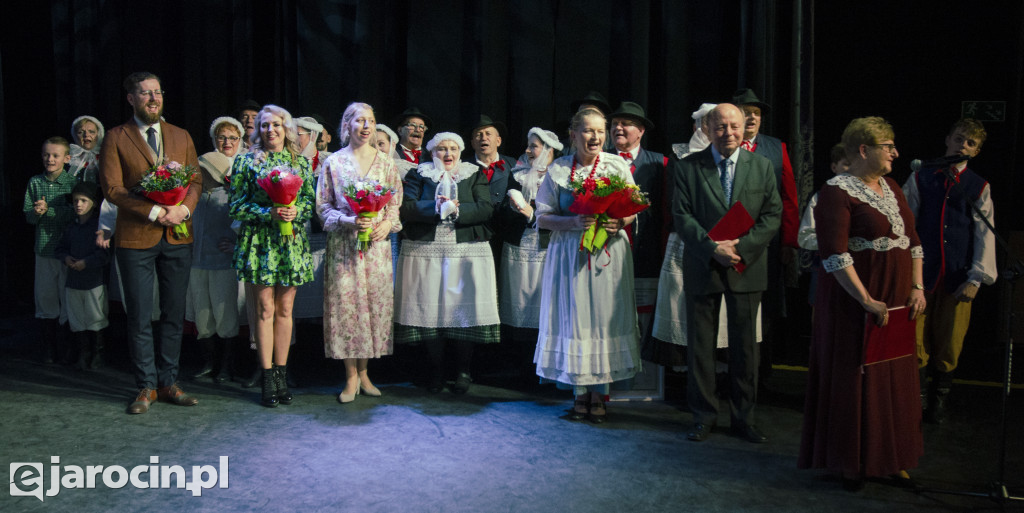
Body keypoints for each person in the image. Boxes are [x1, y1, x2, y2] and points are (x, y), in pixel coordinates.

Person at [799, 116, 925, 491]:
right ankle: (850, 462)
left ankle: (890, 459)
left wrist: (917, 286)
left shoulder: (892, 188)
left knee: (892, 378)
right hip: (853, 303)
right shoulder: (836, 191)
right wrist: (866, 299)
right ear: (864, 149)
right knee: (854, 377)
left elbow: (914, 241)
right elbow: (834, 255)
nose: (895, 153)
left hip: (897, 300)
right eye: (889, 147)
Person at [672, 103, 781, 443]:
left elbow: (772, 215)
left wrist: (741, 248)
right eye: (720, 127)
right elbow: (682, 216)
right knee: (701, 348)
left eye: (734, 126)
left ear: (744, 128)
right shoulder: (688, 167)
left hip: (747, 267)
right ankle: (703, 416)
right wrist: (712, 248)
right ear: (707, 129)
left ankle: (744, 418)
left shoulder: (762, 166)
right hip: (703, 265)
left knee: (746, 349)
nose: (728, 133)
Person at [100, 72, 202, 414]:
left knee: (174, 313)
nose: (154, 98)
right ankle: (146, 386)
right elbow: (112, 189)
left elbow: (195, 181)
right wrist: (156, 210)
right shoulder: (116, 137)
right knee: (140, 316)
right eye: (145, 93)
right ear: (131, 99)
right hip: (136, 237)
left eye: (157, 92)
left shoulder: (181, 135)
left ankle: (169, 382)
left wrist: (184, 209)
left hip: (177, 235)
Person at [533, 108, 641, 423]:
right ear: (574, 134)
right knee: (576, 317)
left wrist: (620, 221)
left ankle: (600, 393)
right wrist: (573, 222)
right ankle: (580, 393)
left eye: (600, 131)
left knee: (604, 319)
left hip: (608, 253)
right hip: (570, 254)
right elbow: (542, 216)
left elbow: (634, 207)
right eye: (588, 131)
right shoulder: (558, 169)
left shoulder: (616, 165)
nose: (595, 137)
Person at [902, 118, 996, 424]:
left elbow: (984, 234)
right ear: (947, 139)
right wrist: (908, 271)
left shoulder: (978, 186)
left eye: (970, 143)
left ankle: (938, 401)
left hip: (957, 277)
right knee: (915, 339)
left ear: (976, 151)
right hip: (922, 275)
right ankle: (917, 399)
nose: (962, 146)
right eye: (958, 139)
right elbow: (905, 223)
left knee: (950, 341)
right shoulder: (921, 176)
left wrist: (976, 277)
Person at [394, 132, 500, 395]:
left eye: (453, 148)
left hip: (464, 250)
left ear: (460, 152)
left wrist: (457, 210)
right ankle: (436, 371)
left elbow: (486, 208)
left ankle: (463, 371)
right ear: (432, 153)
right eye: (442, 149)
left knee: (461, 309)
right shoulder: (419, 173)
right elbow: (406, 207)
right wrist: (435, 206)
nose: (448, 153)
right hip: (426, 249)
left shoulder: (473, 173)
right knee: (431, 311)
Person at [228, 104, 315, 407]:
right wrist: (269, 212)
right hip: (259, 242)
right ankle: (267, 377)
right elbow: (236, 205)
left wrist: (295, 211)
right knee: (264, 308)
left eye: (276, 124)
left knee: (285, 309)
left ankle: (281, 374)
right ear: (257, 130)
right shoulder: (245, 161)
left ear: (286, 128)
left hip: (291, 242)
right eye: (264, 125)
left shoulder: (300, 163)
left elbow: (309, 203)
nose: (270, 130)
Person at [317, 102, 403, 403]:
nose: (366, 126)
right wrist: (348, 220)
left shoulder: (386, 162)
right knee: (346, 309)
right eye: (360, 121)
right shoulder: (334, 162)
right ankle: (350, 376)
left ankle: (365, 373)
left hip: (376, 249)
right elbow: (323, 207)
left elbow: (394, 203)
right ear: (347, 125)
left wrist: (387, 224)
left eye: (371, 121)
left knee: (372, 307)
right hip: (344, 248)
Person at [732, 88, 800, 385]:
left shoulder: (775, 147)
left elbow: (789, 198)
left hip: (767, 243)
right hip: (730, 241)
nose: (752, 118)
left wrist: (788, 241)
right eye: (746, 112)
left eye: (756, 113)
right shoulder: (722, 144)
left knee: (766, 306)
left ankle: (762, 370)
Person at [496, 127, 561, 379]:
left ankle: (544, 367)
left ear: (548, 150)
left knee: (544, 302)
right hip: (519, 245)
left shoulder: (559, 176)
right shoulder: (518, 175)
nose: (527, 150)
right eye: (528, 145)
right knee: (519, 302)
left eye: (533, 146)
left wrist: (533, 214)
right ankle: (520, 364)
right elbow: (503, 212)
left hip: (548, 247)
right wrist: (515, 209)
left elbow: (562, 213)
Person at [186, 116, 244, 383]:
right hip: (197, 264)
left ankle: (227, 366)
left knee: (225, 316)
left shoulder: (231, 196)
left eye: (205, 171)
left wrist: (236, 246)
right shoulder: (194, 198)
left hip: (222, 264)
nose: (200, 174)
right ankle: (209, 362)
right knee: (203, 316)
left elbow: (245, 227)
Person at [609, 101, 667, 338]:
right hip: (606, 253)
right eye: (614, 123)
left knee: (644, 321)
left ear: (641, 130)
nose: (618, 128)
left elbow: (666, 213)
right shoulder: (599, 161)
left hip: (646, 254)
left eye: (626, 123)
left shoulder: (660, 163)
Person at [24, 136, 76, 363]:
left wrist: (50, 211)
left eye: (55, 155)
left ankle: (68, 348)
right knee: (46, 298)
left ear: (67, 158)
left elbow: (76, 215)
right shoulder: (35, 182)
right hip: (44, 249)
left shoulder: (72, 183)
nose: (50, 159)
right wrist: (36, 213)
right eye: (46, 155)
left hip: (66, 250)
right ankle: (49, 349)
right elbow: (28, 216)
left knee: (68, 298)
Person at [54, 181, 109, 369]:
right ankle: (83, 353)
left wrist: (86, 262)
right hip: (73, 281)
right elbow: (60, 248)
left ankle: (97, 353)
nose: (78, 204)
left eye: (84, 201)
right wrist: (66, 258)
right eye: (76, 201)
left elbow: (104, 254)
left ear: (93, 203)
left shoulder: (99, 227)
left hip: (93, 282)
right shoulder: (71, 227)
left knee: (95, 317)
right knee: (77, 319)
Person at [797, 144, 850, 306]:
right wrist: (833, 243)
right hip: (826, 268)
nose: (850, 170)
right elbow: (805, 236)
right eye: (846, 164)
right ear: (834, 167)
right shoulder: (821, 197)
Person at [69, 115, 104, 183]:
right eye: (80, 132)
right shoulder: (70, 158)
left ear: (99, 134)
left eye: (91, 132)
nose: (86, 135)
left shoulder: (106, 156)